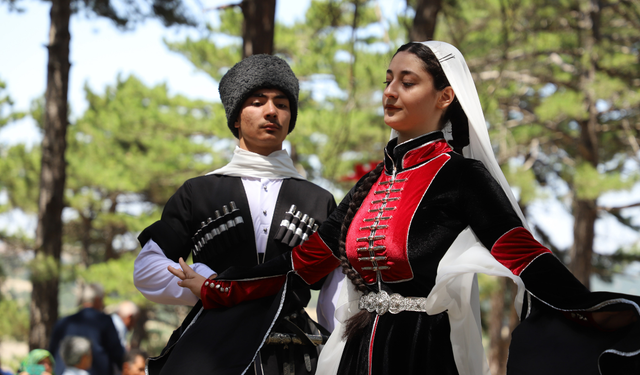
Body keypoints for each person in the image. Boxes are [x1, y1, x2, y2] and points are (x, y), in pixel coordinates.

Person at [172, 41, 640, 375]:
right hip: (354, 354)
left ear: (444, 96)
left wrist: (590, 308)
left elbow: (521, 252)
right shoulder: (368, 185)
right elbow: (300, 264)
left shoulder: (460, 177)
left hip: (423, 353)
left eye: (407, 81)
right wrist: (217, 287)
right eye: (387, 80)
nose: (389, 92)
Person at [134, 53, 339, 375]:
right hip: (210, 348)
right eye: (257, 102)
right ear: (235, 118)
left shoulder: (319, 199)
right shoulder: (197, 192)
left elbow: (334, 294)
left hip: (296, 355)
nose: (271, 111)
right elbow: (147, 269)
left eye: (282, 104)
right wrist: (207, 284)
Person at [49, 284, 123, 375]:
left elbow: (52, 353)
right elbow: (117, 354)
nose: (103, 304)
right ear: (97, 300)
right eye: (102, 300)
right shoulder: (105, 321)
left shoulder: (63, 322)